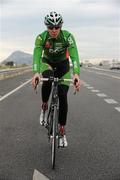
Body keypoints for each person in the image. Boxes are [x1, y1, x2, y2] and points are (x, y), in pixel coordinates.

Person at [32, 11, 80, 147]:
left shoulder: (68, 37)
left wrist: (76, 73)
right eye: (50, 27)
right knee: (48, 79)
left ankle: (62, 131)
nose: (53, 30)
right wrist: (36, 72)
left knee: (63, 96)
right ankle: (44, 106)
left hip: (63, 66)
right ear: (46, 27)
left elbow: (74, 55)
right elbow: (36, 54)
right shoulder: (41, 38)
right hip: (47, 63)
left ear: (61, 26)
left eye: (56, 27)